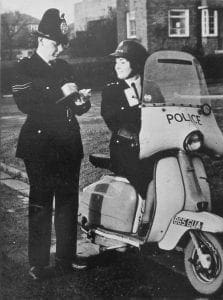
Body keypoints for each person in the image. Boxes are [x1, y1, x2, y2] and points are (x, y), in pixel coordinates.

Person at [12, 8, 91, 280]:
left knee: (69, 201)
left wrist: (82, 102)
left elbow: (77, 105)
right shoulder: (25, 67)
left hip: (68, 143)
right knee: (41, 202)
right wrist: (61, 94)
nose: (60, 48)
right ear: (42, 40)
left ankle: (66, 258)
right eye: (56, 42)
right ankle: (38, 262)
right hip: (41, 145)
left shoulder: (64, 67)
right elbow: (25, 103)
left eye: (62, 43)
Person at [101, 40, 154, 236]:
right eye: (116, 62)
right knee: (149, 178)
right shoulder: (112, 89)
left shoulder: (151, 87)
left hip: (153, 144)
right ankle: (147, 221)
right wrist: (133, 131)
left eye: (122, 61)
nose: (117, 66)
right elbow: (112, 120)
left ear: (136, 63)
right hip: (125, 147)